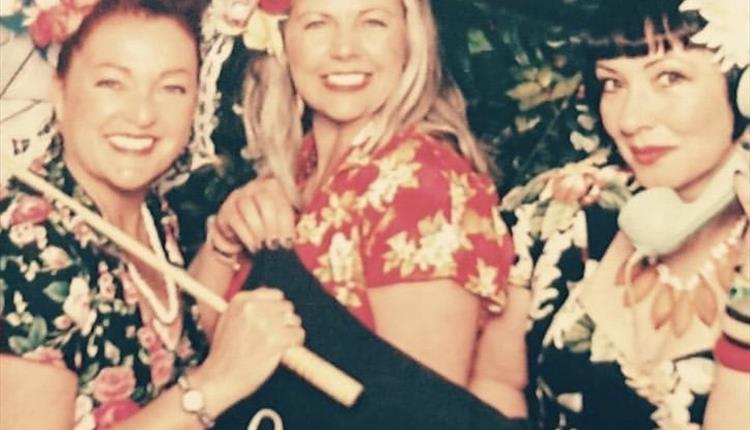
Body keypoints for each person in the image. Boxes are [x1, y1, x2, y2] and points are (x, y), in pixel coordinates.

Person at [197, 0, 529, 417]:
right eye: (318, 23)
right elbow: (209, 349)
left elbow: (415, 417)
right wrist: (225, 241)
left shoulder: (421, 187)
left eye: (372, 22)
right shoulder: (300, 168)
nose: (344, 49)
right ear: (282, 40)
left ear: (410, 40)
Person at [0, 0, 305, 428]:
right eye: (112, 83)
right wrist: (214, 384)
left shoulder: (146, 209)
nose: (143, 115)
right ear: (61, 92)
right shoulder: (28, 250)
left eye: (172, 88)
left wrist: (221, 246)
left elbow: (162, 344)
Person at [500, 0, 750, 429]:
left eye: (670, 77)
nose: (631, 119)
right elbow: (494, 384)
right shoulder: (565, 209)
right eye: (612, 84)